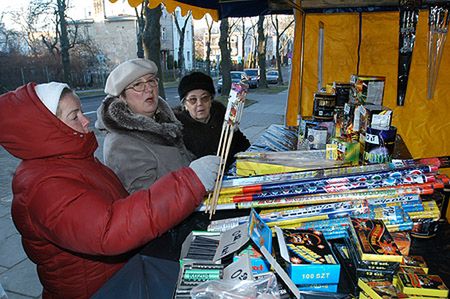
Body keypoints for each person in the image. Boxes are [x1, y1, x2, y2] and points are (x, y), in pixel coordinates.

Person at [0, 82, 220, 299]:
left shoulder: (73, 161)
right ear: (45, 129)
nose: (86, 120)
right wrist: (189, 182)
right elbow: (109, 230)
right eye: (74, 115)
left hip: (124, 276)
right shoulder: (43, 186)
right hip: (100, 291)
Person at [96, 58, 194, 193]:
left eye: (151, 81)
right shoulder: (121, 143)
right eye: (138, 85)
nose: (149, 89)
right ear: (122, 98)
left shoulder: (166, 124)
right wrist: (195, 179)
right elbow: (148, 201)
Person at [174, 71, 250, 169]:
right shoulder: (178, 131)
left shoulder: (224, 118)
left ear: (211, 100)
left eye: (204, 98)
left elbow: (243, 145)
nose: (199, 103)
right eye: (193, 100)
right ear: (185, 104)